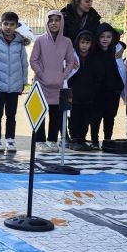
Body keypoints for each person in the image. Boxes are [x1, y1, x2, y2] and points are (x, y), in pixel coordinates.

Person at [29, 9, 79, 151]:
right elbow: (33, 60)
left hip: (58, 84)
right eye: (50, 20)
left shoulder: (67, 42)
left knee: (56, 113)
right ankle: (39, 141)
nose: (54, 23)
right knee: (40, 113)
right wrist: (41, 74)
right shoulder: (39, 40)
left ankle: (52, 140)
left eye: (57, 20)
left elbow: (70, 61)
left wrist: (63, 76)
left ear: (61, 22)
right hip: (41, 83)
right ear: (46, 22)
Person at [0, 12, 28, 152]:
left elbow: (24, 64)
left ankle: (10, 139)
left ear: (16, 26)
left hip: (14, 85)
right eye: (5, 24)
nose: (8, 27)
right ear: (1, 24)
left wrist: (23, 82)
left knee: (11, 114)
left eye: (11, 24)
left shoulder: (20, 44)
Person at [89, 25, 124, 147]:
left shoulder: (113, 51)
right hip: (97, 91)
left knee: (109, 117)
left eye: (108, 37)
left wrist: (118, 87)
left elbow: (115, 70)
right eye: (102, 37)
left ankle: (107, 140)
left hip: (111, 91)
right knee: (95, 117)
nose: (105, 39)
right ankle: (94, 140)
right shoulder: (93, 52)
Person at [65, 31, 97, 149]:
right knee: (73, 118)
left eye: (87, 43)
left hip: (88, 95)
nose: (84, 45)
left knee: (85, 118)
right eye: (82, 42)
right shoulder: (72, 56)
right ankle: (74, 139)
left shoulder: (93, 57)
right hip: (74, 94)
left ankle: (82, 138)